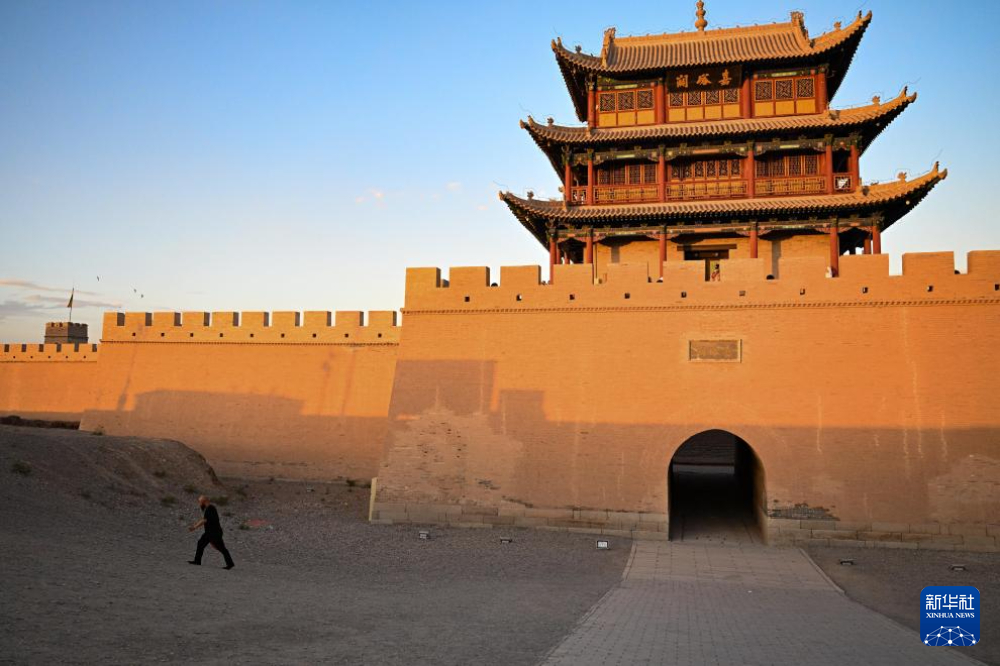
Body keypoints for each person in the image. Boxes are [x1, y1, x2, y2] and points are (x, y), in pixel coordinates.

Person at [188, 495, 235, 569]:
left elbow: (204, 520)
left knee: (221, 548)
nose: (199, 503)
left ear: (204, 501)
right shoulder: (209, 508)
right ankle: (197, 561)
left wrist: (194, 527)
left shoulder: (210, 508)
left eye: (200, 502)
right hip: (209, 532)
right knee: (200, 543)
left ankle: (230, 564)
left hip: (214, 533)